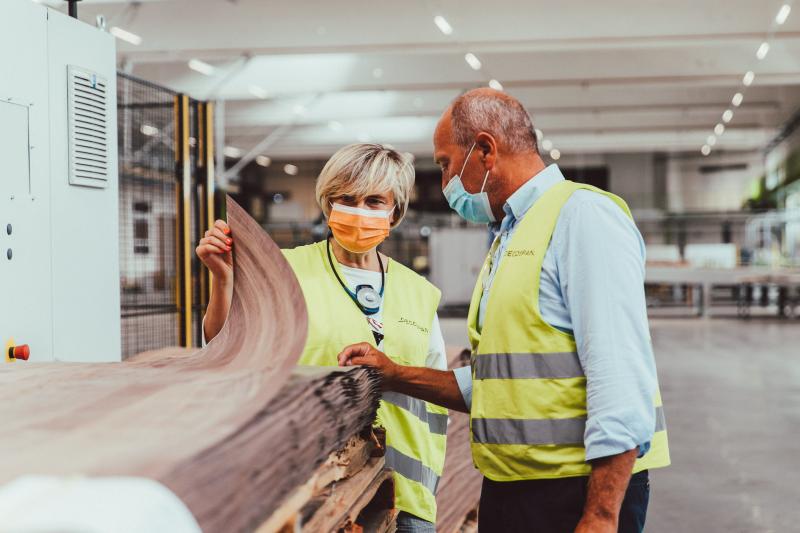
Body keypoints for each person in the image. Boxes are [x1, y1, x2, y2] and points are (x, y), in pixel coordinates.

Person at [337, 89, 670, 533]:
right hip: (514, 487)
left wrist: (602, 515)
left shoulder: (581, 217)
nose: (445, 182)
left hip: (574, 491)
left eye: (445, 163)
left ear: (486, 150)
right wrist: (394, 373)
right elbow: (499, 384)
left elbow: (620, 374)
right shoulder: (512, 235)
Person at [197, 143, 447, 532]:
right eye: (346, 199)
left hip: (407, 493)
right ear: (328, 206)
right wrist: (223, 279)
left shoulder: (420, 292)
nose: (360, 211)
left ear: (394, 212)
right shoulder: (285, 271)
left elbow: (436, 388)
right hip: (313, 489)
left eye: (374, 200)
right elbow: (226, 348)